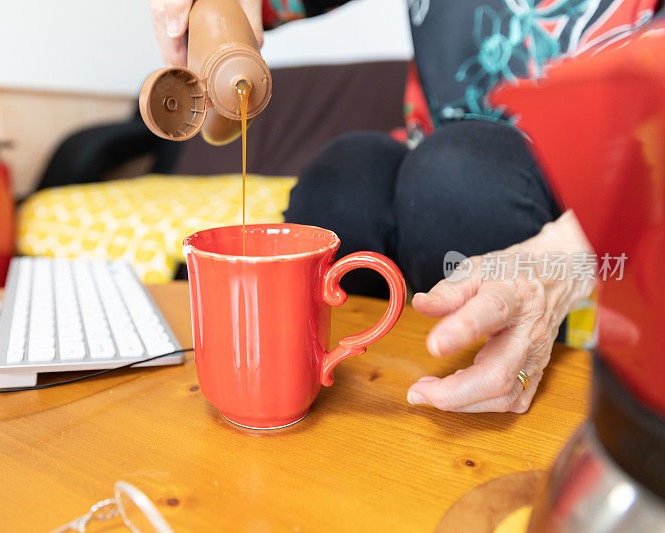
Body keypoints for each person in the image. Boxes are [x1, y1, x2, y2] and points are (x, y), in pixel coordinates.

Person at [146, 0, 659, 413]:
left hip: (603, 187)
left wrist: (560, 258)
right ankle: (337, 398)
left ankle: (487, 387)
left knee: (458, 179)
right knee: (342, 178)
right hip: (433, 156)